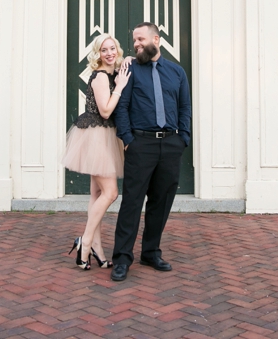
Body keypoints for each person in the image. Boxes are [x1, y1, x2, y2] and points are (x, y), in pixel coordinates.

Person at [110, 22, 192, 282]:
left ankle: (151, 252)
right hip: (140, 144)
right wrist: (128, 139)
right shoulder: (130, 69)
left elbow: (184, 108)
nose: (136, 44)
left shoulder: (177, 72)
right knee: (132, 202)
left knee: (161, 201)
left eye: (141, 39)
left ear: (156, 39)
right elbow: (121, 107)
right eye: (134, 40)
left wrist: (183, 139)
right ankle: (122, 258)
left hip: (170, 144)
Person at [62, 33, 130, 270]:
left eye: (113, 48)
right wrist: (120, 87)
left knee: (96, 195)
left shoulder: (113, 70)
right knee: (110, 193)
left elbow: (125, 61)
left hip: (104, 136)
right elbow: (105, 111)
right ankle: (86, 242)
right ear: (97, 54)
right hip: (96, 136)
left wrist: (128, 61)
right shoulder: (101, 77)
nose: (110, 53)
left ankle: (98, 249)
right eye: (104, 50)